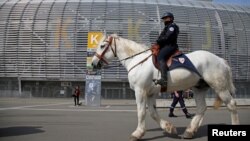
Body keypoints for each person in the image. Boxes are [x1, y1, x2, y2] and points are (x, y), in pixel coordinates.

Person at [155, 12, 179, 86]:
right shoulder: (167, 26)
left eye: (166, 18)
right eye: (164, 19)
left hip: (170, 46)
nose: (164, 20)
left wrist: (159, 41)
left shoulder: (172, 26)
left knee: (160, 57)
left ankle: (164, 79)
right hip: (166, 45)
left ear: (171, 18)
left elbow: (167, 37)